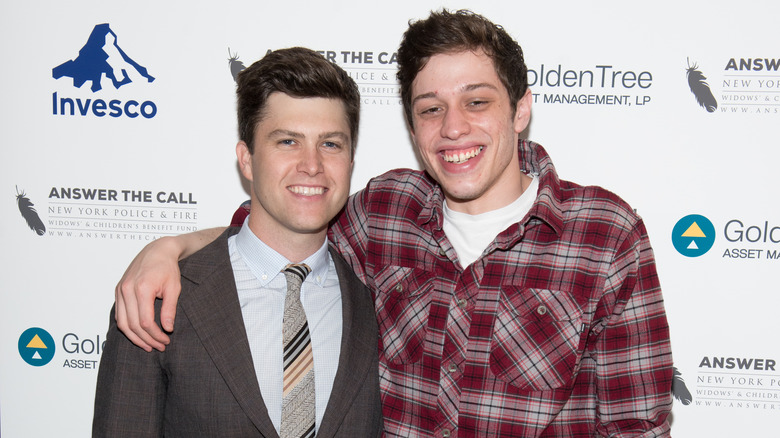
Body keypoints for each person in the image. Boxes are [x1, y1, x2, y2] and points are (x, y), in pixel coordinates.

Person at [114, 10, 674, 437]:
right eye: (431, 108)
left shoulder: (606, 235)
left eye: (476, 102)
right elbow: (285, 223)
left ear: (520, 108)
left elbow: (637, 427)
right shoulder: (385, 213)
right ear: (411, 122)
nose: (453, 128)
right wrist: (172, 247)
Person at [93, 47, 382, 437]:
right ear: (246, 160)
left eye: (331, 144)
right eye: (287, 142)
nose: (312, 165)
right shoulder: (158, 297)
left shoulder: (373, 301)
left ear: (350, 162)